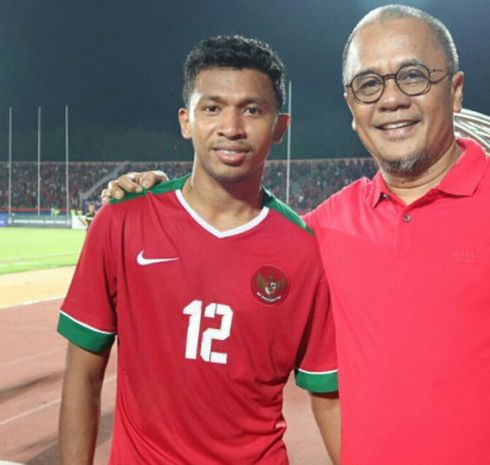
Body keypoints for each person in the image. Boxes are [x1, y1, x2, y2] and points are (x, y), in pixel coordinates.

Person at [103, 5, 490, 465]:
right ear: (351, 107)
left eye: (413, 76)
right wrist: (155, 196)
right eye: (369, 83)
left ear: (455, 91)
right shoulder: (321, 229)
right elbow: (224, 257)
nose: (391, 99)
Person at [58, 35, 340, 465]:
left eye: (252, 109)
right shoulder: (123, 220)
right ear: (186, 121)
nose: (231, 127)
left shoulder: (306, 251)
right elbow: (82, 376)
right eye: (212, 108)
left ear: (280, 126)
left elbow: (328, 397)